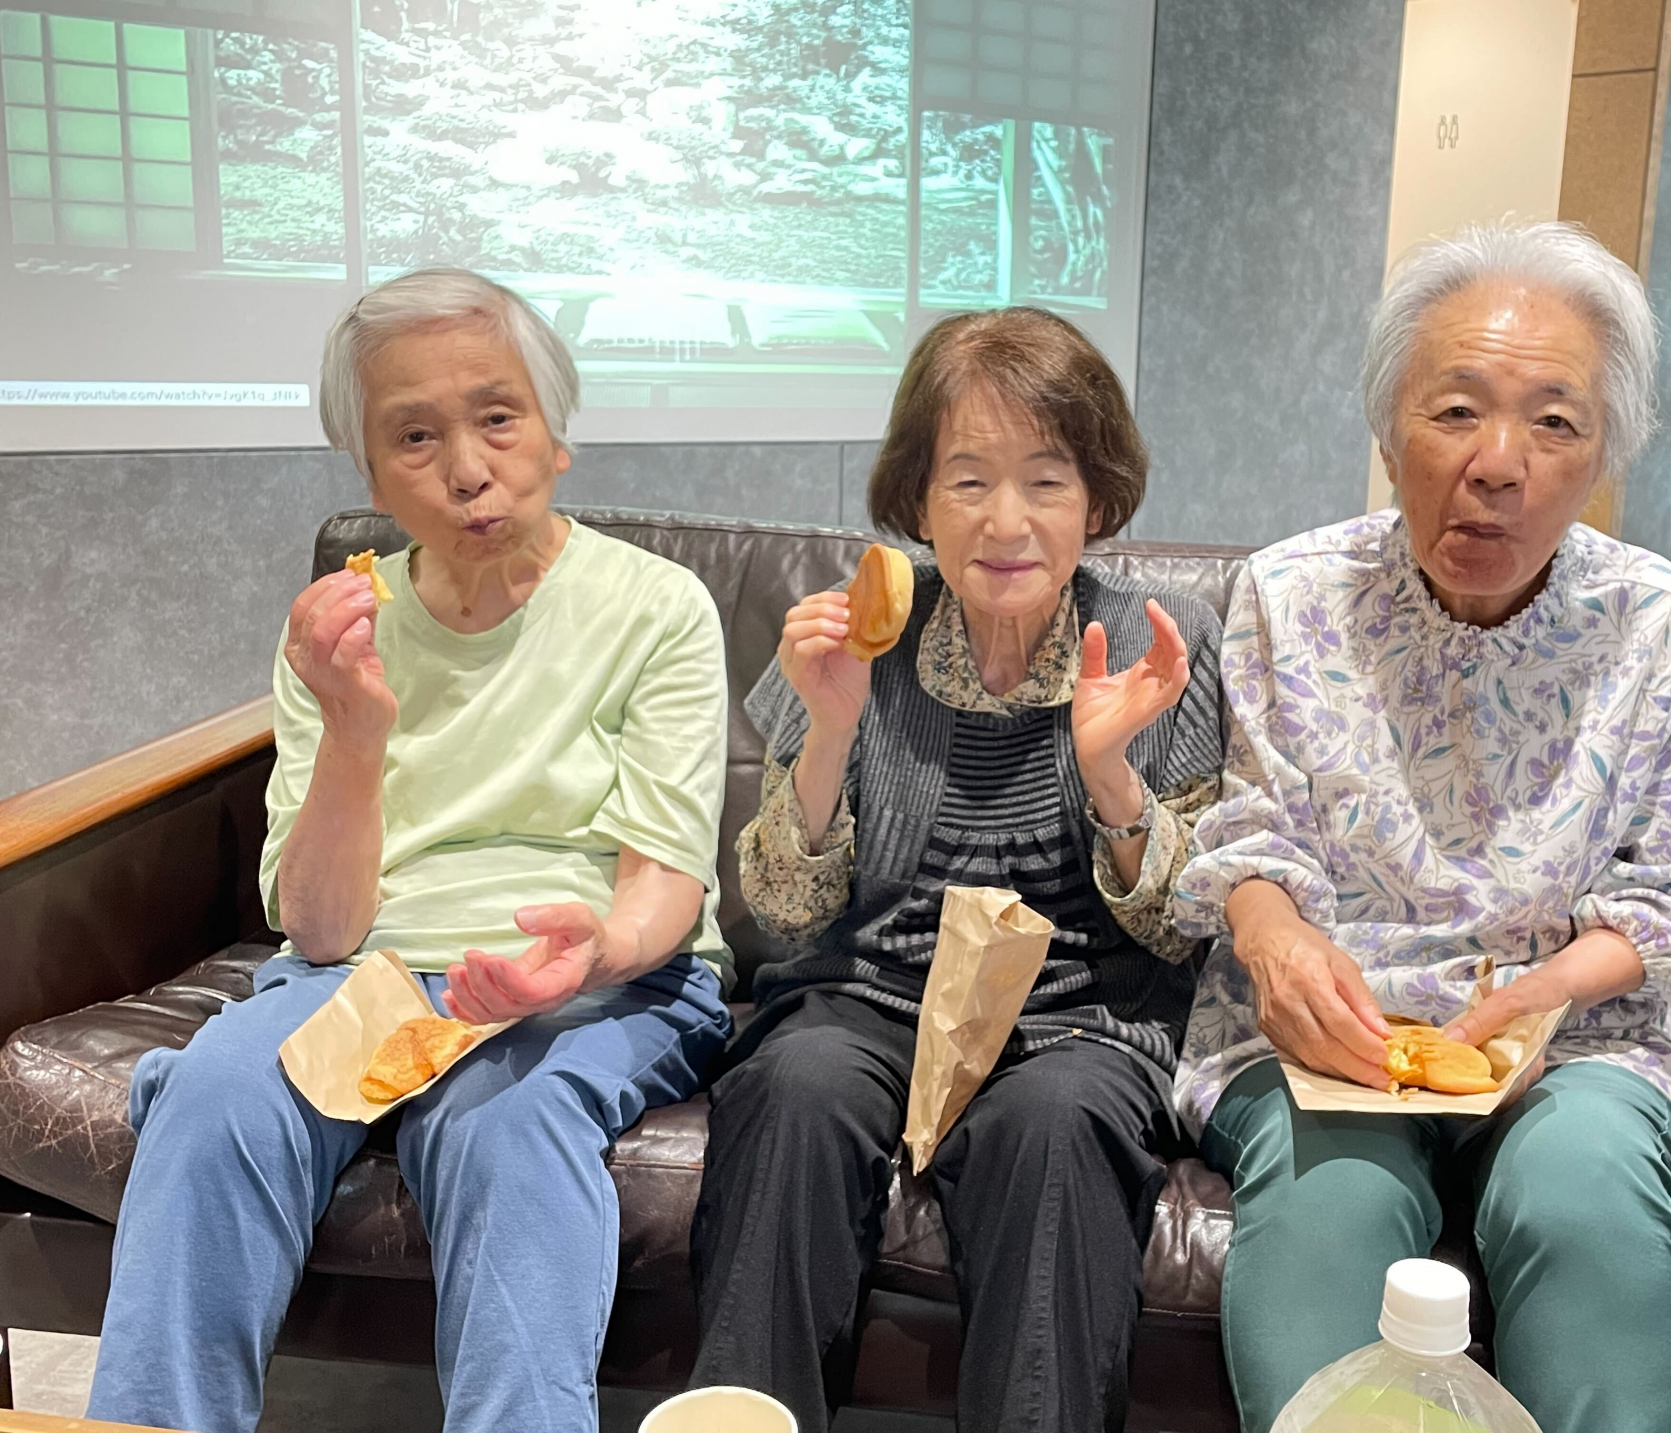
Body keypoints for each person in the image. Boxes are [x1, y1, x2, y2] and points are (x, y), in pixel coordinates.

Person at [87, 268, 733, 1433]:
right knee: (216, 1095)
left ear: (555, 432)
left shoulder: (657, 606)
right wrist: (354, 728)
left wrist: (589, 953)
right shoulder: (339, 629)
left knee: (505, 1123)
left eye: (499, 417)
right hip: (366, 971)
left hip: (599, 974)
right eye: (417, 436)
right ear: (372, 474)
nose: (468, 468)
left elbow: (661, 889)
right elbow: (321, 928)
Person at [1174, 221, 1671, 1433]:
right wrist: (1274, 939)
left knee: (1581, 1195)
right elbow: (1248, 826)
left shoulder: (1668, 626)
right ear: (1388, 427)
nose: (1498, 464)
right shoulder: (1289, 594)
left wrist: (1543, 995)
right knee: (1330, 1202)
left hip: (1580, 1041)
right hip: (1329, 1040)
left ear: (1605, 456)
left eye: (1555, 422)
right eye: (1455, 411)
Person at [688, 306, 1224, 1433]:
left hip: (1078, 1022)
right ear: (918, 501)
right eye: (968, 481)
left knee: (1057, 1127)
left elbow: (1185, 931)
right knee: (792, 1090)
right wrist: (830, 732)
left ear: (1096, 500)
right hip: (867, 999)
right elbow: (781, 914)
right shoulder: (855, 635)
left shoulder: (1161, 642)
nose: (1005, 522)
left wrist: (1111, 778)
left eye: (1047, 481)